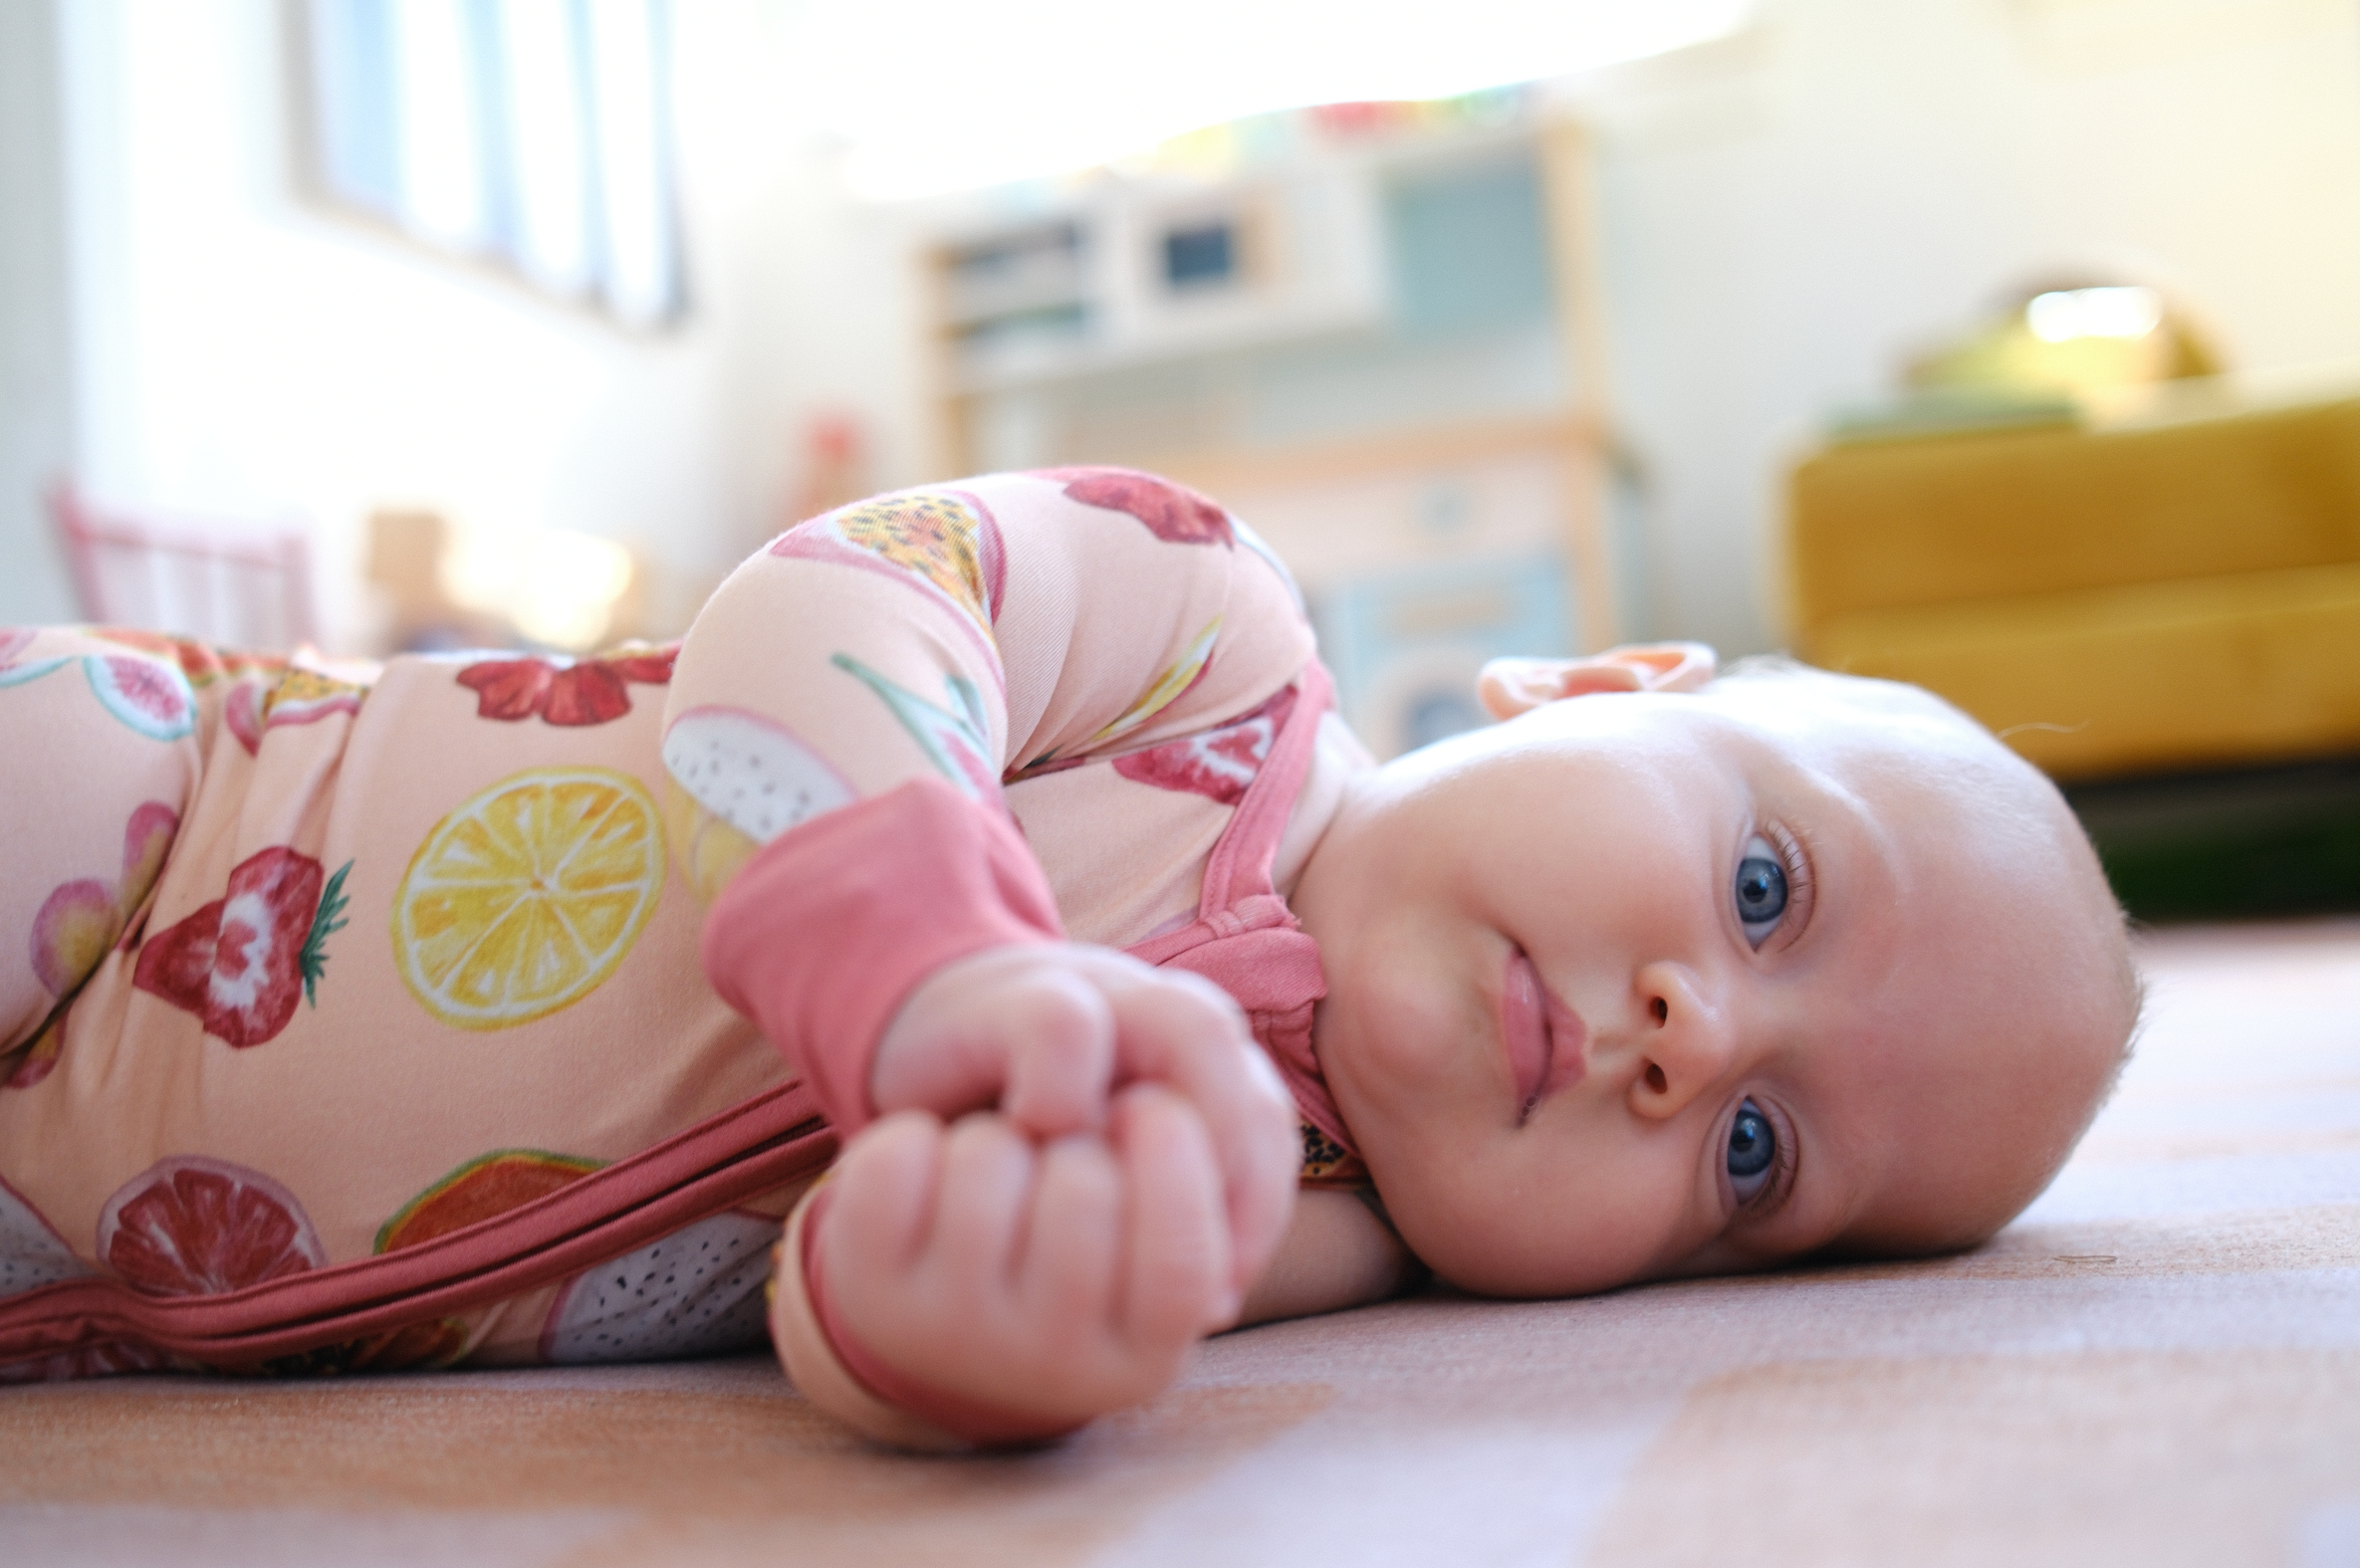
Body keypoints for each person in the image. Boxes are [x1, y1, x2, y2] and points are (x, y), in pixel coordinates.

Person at [0, 468, 2136, 1445]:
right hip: (183, 814)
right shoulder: (1215, 635)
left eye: (1759, 1156)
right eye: (1767, 892)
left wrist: (970, 1324)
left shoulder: (1298, 1218)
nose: (1692, 1034)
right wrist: (929, 967)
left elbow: (835, 1308)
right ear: (1591, 679)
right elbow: (829, 603)